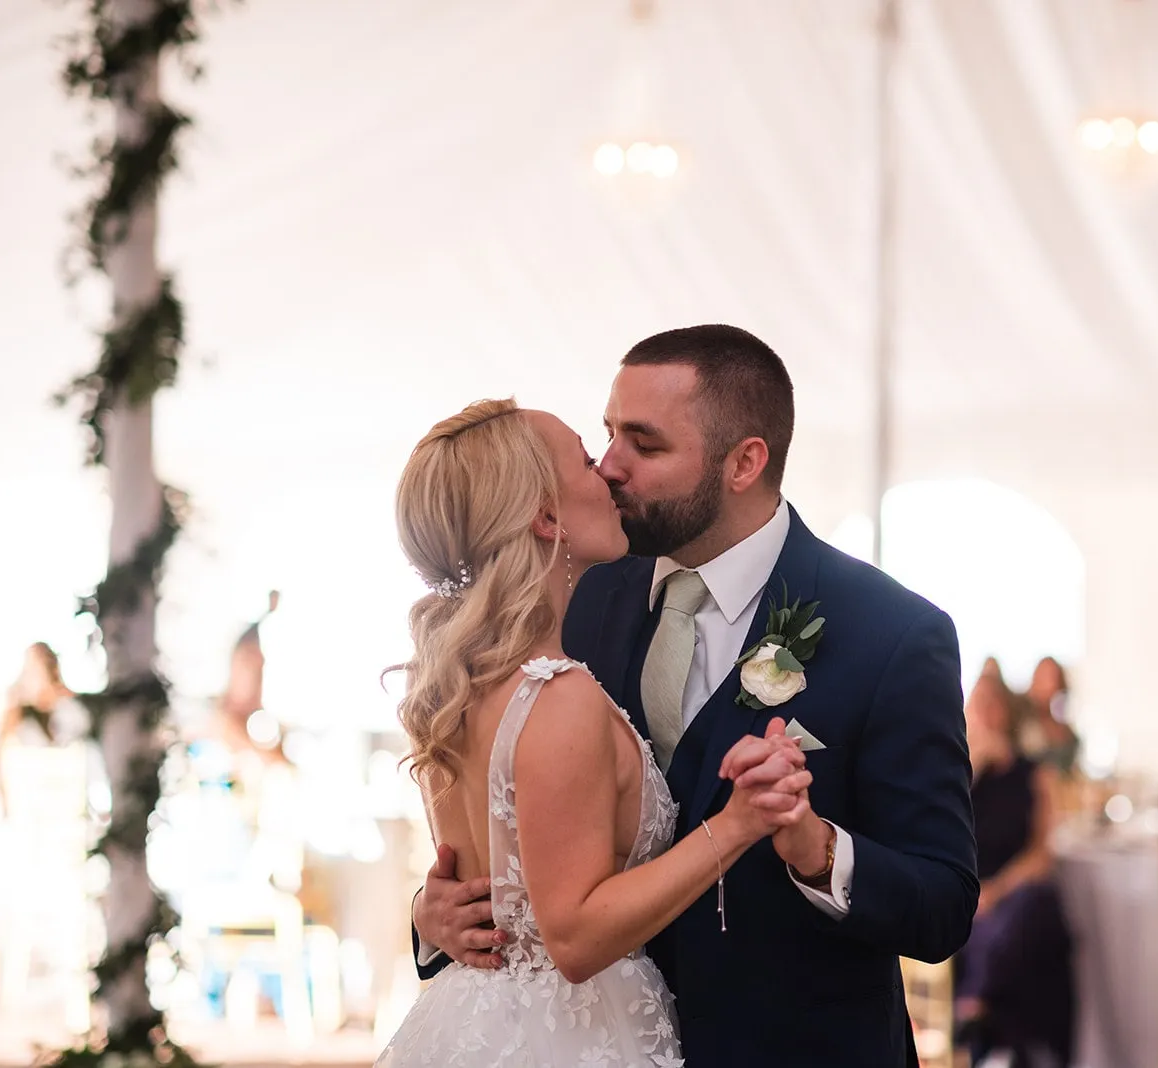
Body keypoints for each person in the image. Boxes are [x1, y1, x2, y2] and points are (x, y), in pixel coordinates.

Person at [411, 325, 978, 1066]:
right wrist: (434, 917)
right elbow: (510, 841)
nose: (610, 466)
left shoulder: (892, 635)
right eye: (607, 435)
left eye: (644, 446)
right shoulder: (570, 590)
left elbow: (942, 904)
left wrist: (816, 851)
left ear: (744, 462)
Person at [377, 397, 813, 1066]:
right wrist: (738, 823)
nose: (607, 473)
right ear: (546, 517)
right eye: (586, 458)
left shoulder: (451, 685)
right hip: (571, 1038)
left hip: (474, 1027)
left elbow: (498, 884)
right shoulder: (557, 696)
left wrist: (429, 914)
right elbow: (574, 938)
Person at [955, 667, 1074, 1066]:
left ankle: (975, 1006)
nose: (986, 713)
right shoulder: (957, 775)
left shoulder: (1032, 774)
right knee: (986, 925)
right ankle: (993, 1035)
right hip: (970, 891)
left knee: (1029, 909)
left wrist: (999, 889)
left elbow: (1042, 853)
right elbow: (945, 838)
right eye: (978, 704)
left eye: (993, 704)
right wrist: (971, 768)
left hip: (1015, 890)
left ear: (1006, 711)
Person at [0, 642, 90, 801]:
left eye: (32, 670)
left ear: (50, 671)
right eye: (24, 671)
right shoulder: (17, 719)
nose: (24, 679)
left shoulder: (72, 712)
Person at [1014, 656, 1080, 773]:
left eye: (1053, 678)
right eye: (1044, 677)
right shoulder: (1019, 719)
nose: (1049, 684)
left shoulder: (1065, 729)